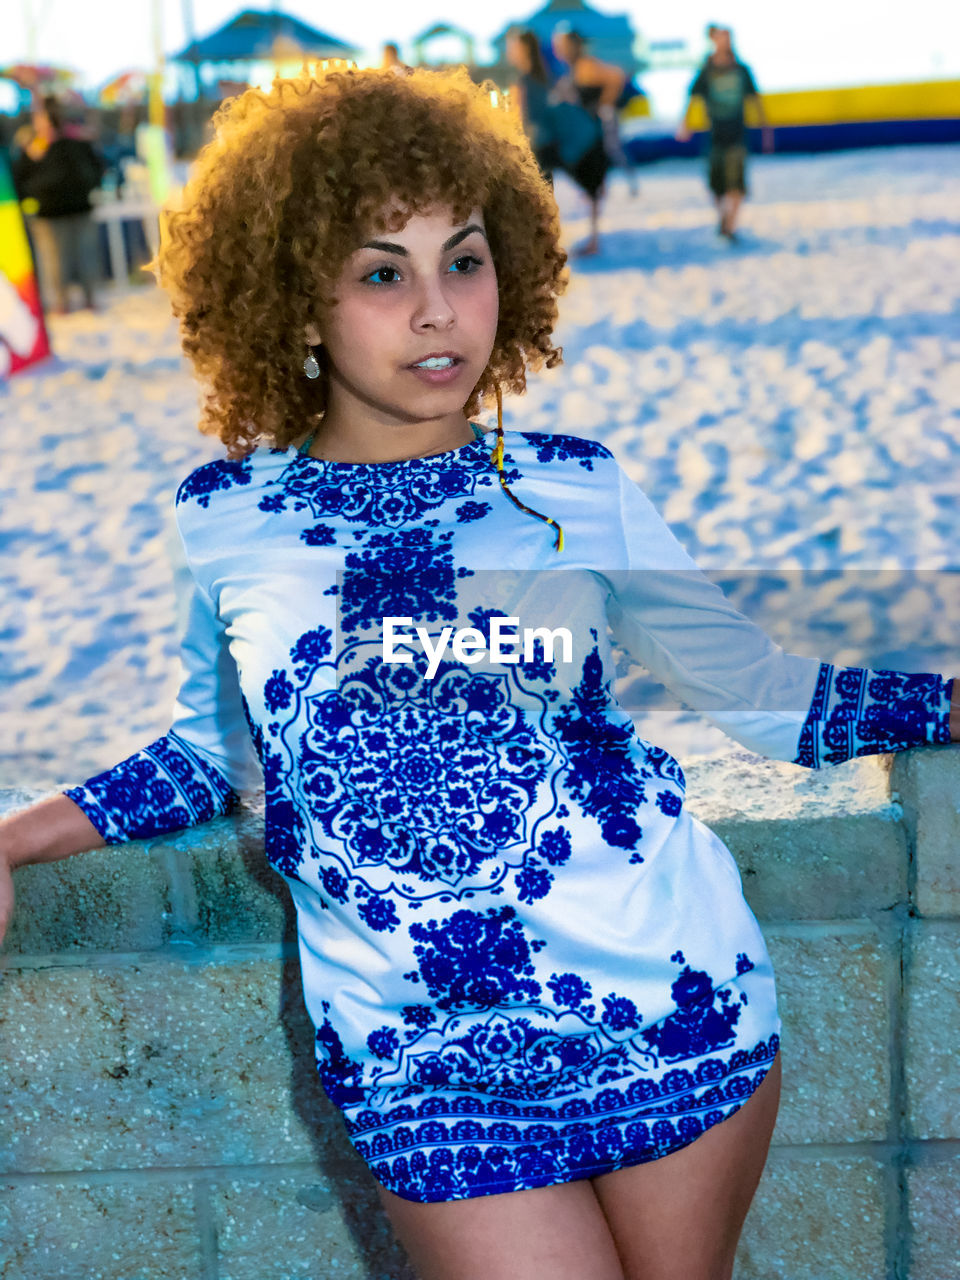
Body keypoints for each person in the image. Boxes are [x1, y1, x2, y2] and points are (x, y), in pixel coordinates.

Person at [0, 66, 955, 1280]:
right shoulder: (224, 517)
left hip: (667, 998)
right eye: (381, 272)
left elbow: (761, 692)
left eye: (464, 259)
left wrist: (949, 700)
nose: (440, 310)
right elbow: (210, 755)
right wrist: (14, 836)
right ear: (297, 300)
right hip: (419, 1056)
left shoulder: (577, 486)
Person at [677, 24, 773, 241]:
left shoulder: (741, 69)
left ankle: (730, 225)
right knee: (716, 183)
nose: (725, 43)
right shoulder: (707, 69)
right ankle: (724, 217)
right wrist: (685, 123)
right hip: (714, 133)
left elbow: (754, 98)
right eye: (721, 38)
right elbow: (693, 96)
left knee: (737, 182)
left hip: (737, 132)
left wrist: (766, 127)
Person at [11, 96, 105, 313]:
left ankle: (90, 298)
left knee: (86, 255)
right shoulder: (33, 146)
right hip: (49, 211)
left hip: (80, 206)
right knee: (54, 261)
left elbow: (96, 167)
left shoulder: (76, 140)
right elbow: (20, 176)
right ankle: (59, 302)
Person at [550, 26, 625, 254]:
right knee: (590, 189)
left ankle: (593, 241)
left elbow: (616, 76)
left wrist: (605, 103)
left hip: (590, 135)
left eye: (561, 45)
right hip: (585, 134)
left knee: (592, 187)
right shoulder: (574, 67)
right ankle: (592, 239)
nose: (558, 50)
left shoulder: (585, 65)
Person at [505, 30, 560, 182]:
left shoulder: (523, 81)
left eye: (512, 48)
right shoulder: (543, 76)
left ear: (524, 49)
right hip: (547, 142)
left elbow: (517, 119)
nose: (509, 52)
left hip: (531, 146)